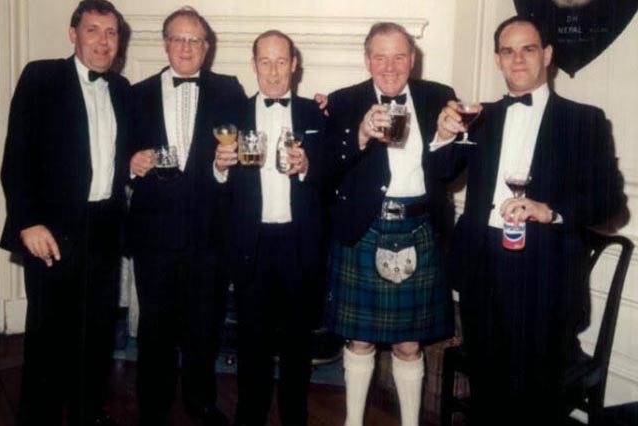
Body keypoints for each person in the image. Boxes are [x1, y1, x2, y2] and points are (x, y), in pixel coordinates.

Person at [434, 15, 624, 425]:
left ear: (548, 55)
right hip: (483, 269)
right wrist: (443, 135)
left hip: (546, 278)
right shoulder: (478, 115)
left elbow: (609, 200)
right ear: (498, 60)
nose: (517, 59)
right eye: (508, 51)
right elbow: (440, 173)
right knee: (486, 393)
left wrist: (550, 211)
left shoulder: (584, 120)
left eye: (528, 49)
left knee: (535, 401)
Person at [0, 1, 130, 425]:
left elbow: (122, 156)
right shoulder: (42, 76)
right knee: (47, 337)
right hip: (51, 231)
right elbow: (15, 156)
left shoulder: (123, 90)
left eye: (111, 33)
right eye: (93, 30)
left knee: (95, 335)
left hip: (104, 229)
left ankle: (88, 412)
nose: (103, 41)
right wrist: (26, 222)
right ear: (73, 35)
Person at [323, 22, 456, 426]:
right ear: (367, 60)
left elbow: (450, 171)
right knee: (359, 339)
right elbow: (326, 167)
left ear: (412, 60)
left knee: (409, 344)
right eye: (379, 56)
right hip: (364, 229)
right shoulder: (343, 101)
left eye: (399, 55)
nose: (389, 65)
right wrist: (360, 134)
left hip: (418, 229)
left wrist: (446, 139)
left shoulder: (439, 97)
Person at [127, 7, 245, 426]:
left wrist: (222, 166)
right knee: (155, 328)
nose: (186, 48)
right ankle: (153, 406)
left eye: (195, 40)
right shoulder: (135, 92)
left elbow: (243, 155)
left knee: (204, 326)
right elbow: (113, 155)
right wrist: (131, 163)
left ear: (207, 48)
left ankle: (200, 402)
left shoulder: (230, 91)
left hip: (208, 234)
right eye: (178, 39)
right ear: (164, 44)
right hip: (153, 234)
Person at [214, 30, 326, 426]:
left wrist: (310, 167)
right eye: (265, 61)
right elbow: (217, 189)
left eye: (282, 61)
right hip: (253, 244)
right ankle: (250, 417)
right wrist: (220, 168)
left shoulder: (316, 116)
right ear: (254, 65)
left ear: (294, 65)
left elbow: (333, 174)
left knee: (298, 344)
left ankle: (295, 417)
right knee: (252, 342)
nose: (274, 71)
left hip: (299, 244)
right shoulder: (234, 115)